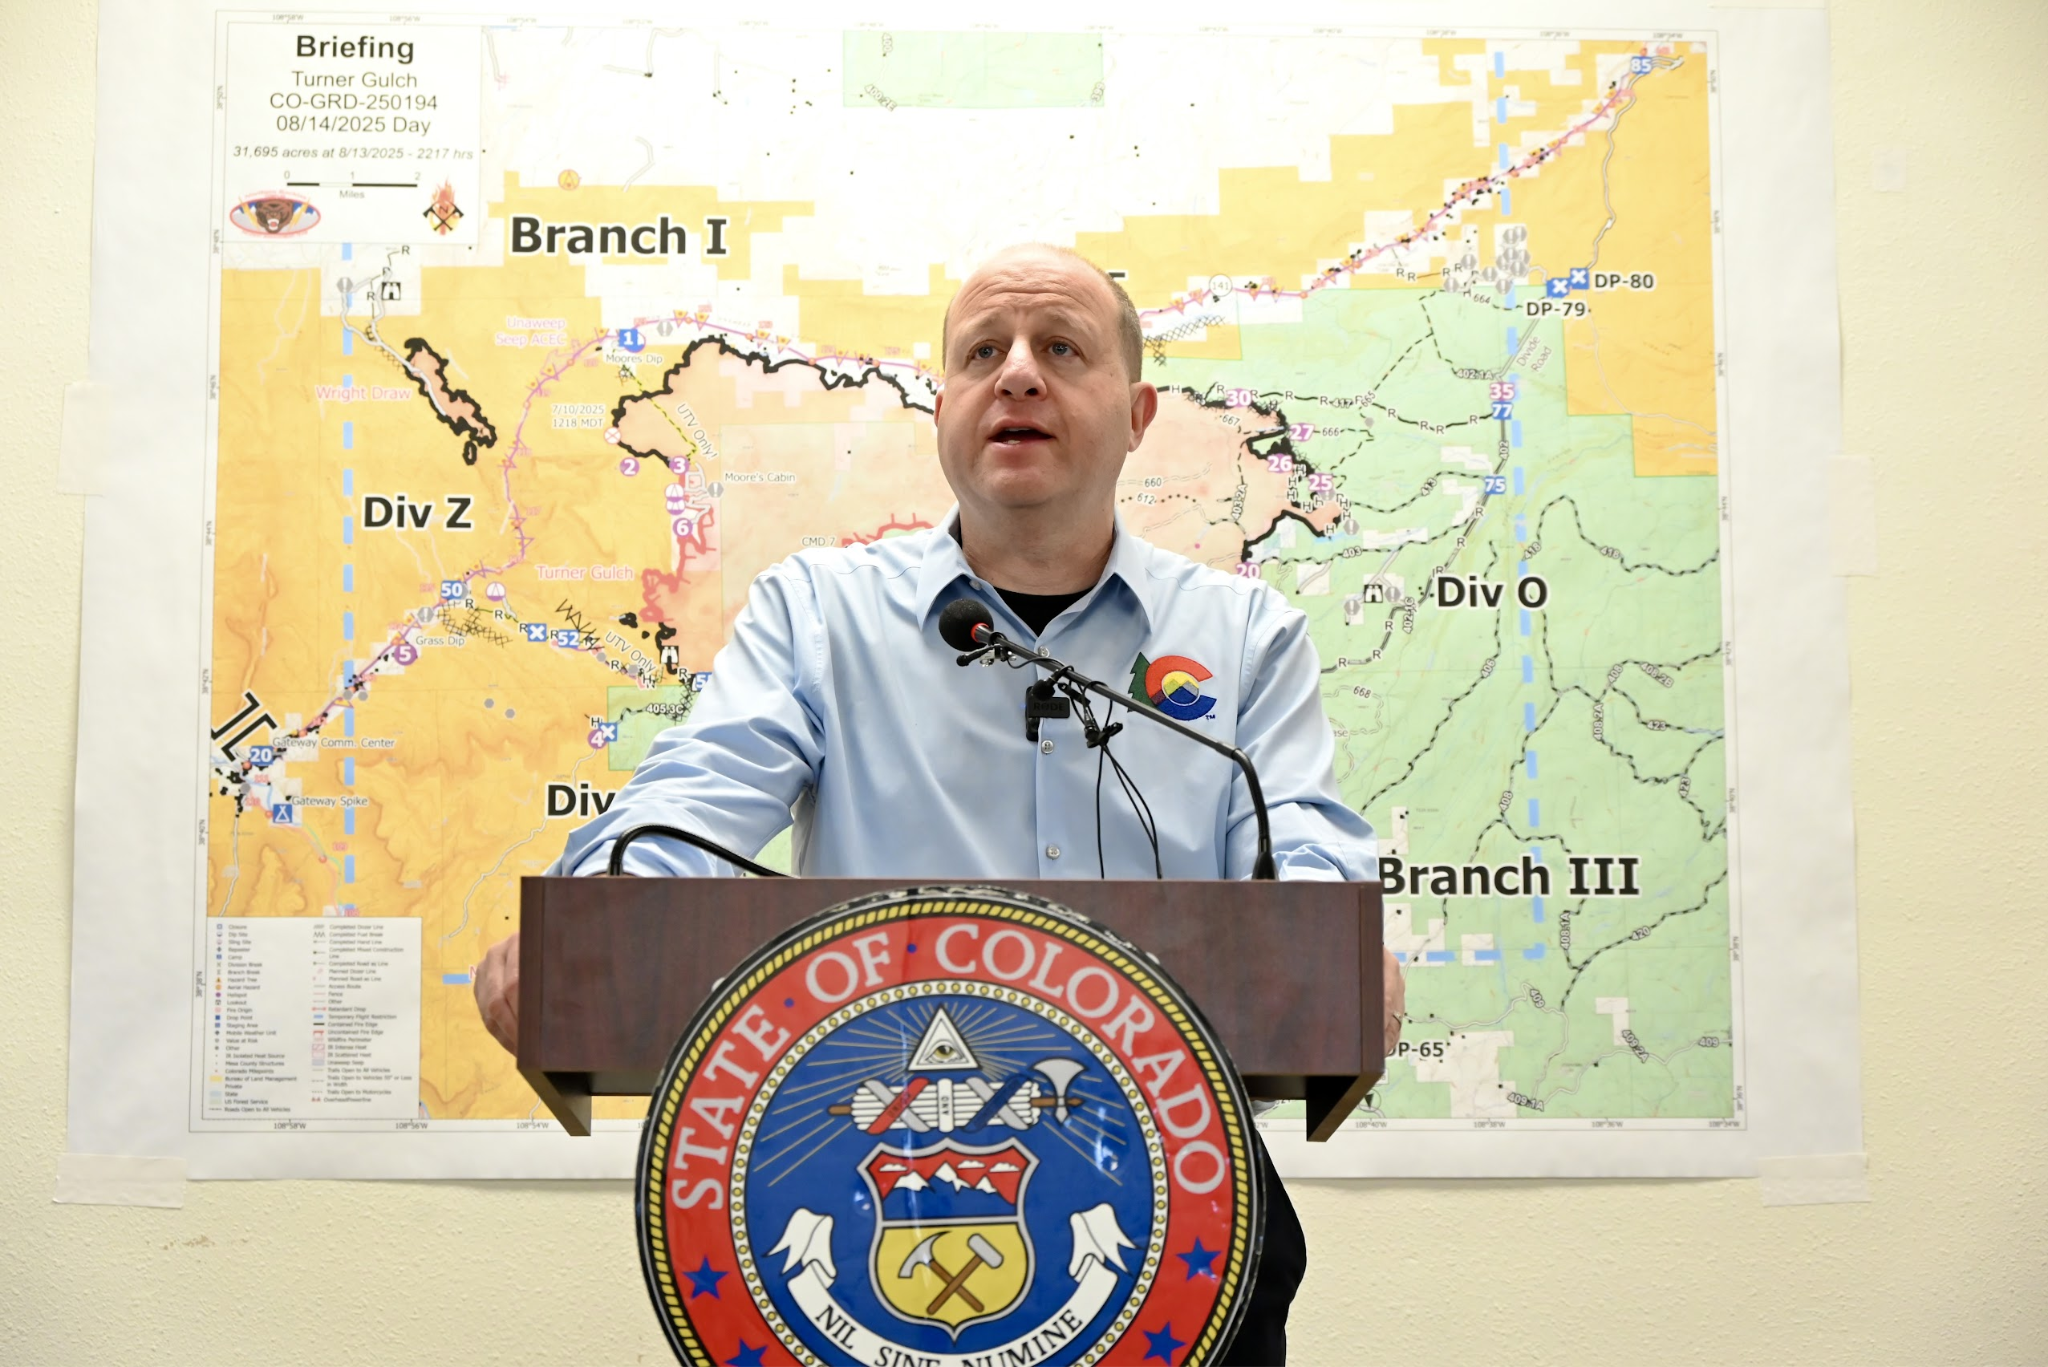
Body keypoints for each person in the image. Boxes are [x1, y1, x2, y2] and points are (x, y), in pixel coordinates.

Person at [474, 243, 1405, 1363]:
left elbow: (1304, 854)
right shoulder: (821, 615)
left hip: (1175, 1200)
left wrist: (1344, 955)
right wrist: (588, 925)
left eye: (1061, 349)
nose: (1017, 374)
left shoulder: (1242, 638)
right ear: (945, 408)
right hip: (869, 1195)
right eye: (982, 354)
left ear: (1138, 412)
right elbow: (692, 801)